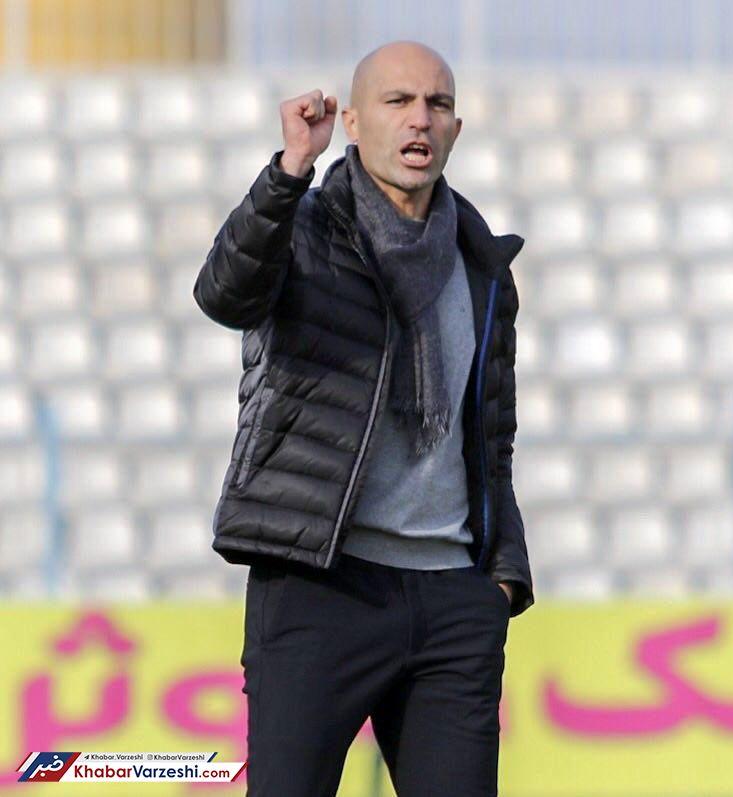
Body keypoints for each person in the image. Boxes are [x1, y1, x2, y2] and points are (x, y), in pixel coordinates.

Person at [193, 39, 534, 796]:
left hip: (452, 598)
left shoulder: (482, 265)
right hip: (322, 587)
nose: (420, 119)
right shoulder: (304, 228)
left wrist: (501, 580)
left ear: (455, 128)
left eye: (437, 105)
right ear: (352, 121)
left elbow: (493, 436)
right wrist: (289, 171)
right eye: (398, 101)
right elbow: (225, 293)